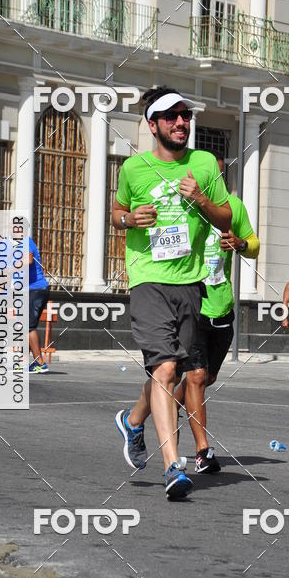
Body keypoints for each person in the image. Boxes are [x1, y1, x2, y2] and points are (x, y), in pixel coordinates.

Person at [113, 86, 231, 500]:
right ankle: (172, 467)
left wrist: (200, 199)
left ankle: (132, 421)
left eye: (185, 116)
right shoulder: (133, 169)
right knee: (164, 369)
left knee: (173, 372)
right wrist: (130, 219)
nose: (181, 122)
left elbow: (225, 218)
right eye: (171, 116)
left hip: (190, 282)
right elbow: (116, 213)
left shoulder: (204, 164)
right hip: (147, 278)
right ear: (153, 125)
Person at [174, 162, 259, 473]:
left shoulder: (232, 207)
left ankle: (169, 402)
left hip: (222, 308)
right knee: (196, 377)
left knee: (205, 379)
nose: (211, 180)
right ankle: (203, 451)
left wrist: (239, 244)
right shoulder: (180, 206)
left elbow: (254, 246)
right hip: (191, 305)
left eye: (217, 176)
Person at [28, 236, 50, 374]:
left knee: (29, 327)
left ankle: (40, 363)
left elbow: (29, 260)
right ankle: (24, 362)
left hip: (36, 289)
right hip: (34, 290)